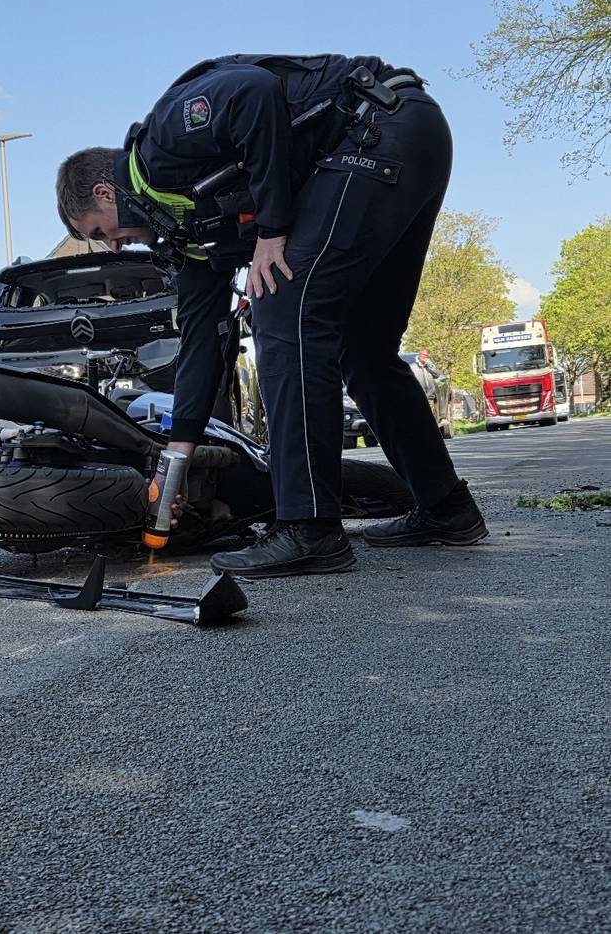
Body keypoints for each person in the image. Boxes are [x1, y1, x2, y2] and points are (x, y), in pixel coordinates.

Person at [55, 54, 487, 578]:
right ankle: (447, 509)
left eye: (99, 231)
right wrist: (177, 457)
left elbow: (252, 91)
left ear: (106, 192)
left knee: (282, 310)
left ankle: (309, 530)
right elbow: (200, 342)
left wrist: (272, 229)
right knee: (363, 350)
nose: (114, 246)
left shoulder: (162, 144)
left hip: (377, 126)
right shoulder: (188, 231)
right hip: (411, 137)